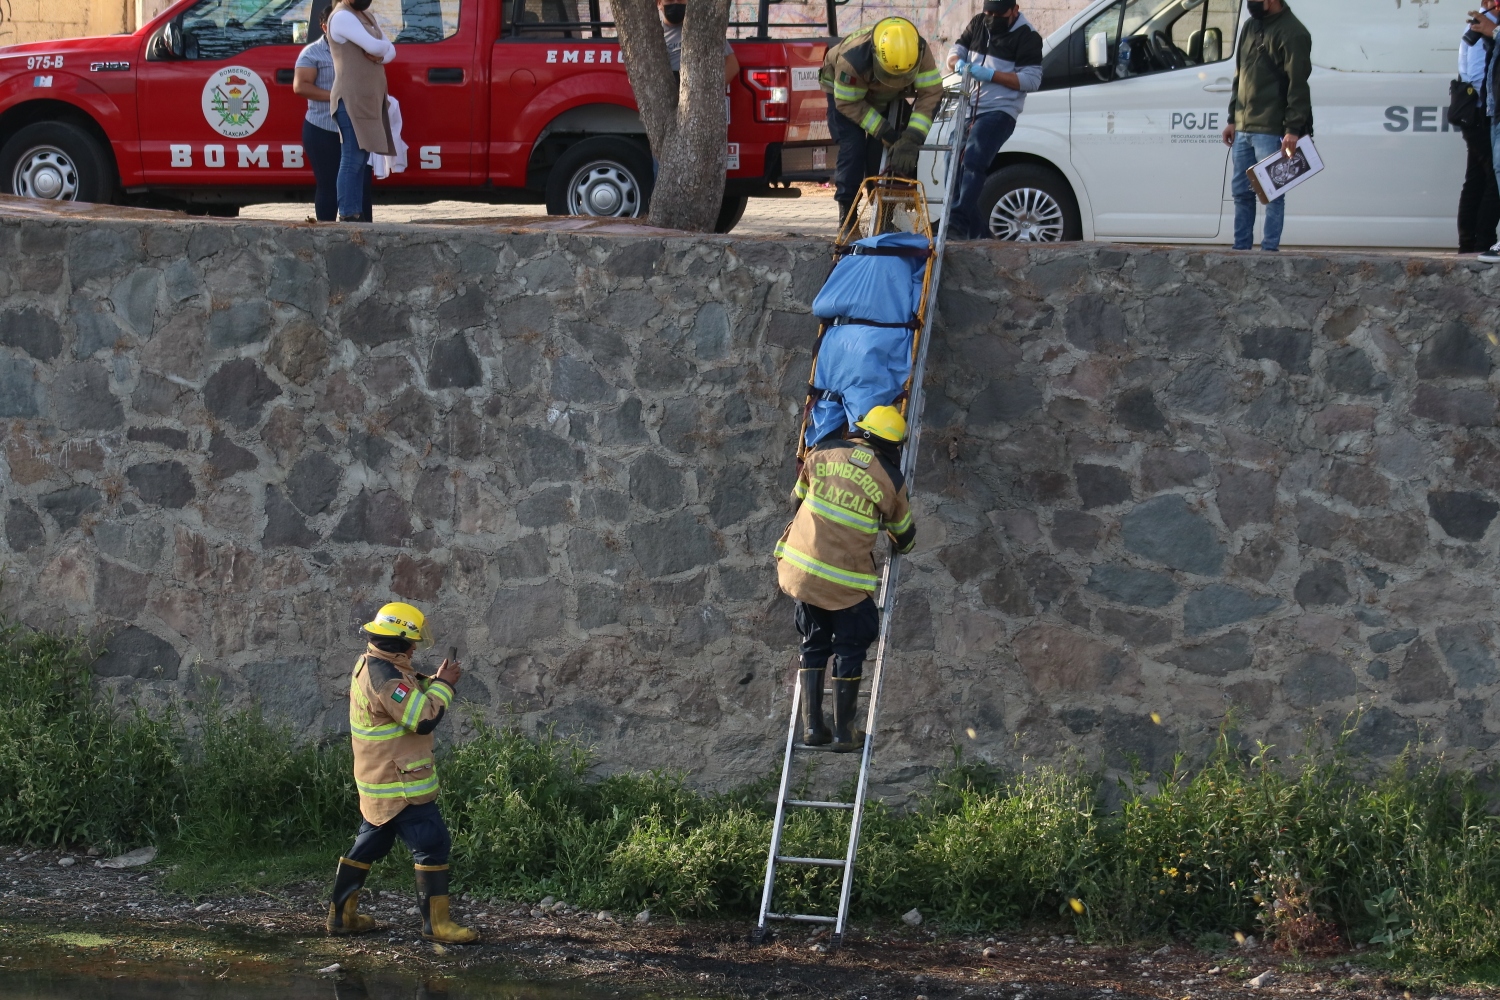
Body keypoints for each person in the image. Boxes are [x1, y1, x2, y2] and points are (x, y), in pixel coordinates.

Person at [325, 602, 477, 945]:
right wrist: (445, 686)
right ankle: (437, 926)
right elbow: (422, 719)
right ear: (397, 642)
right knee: (433, 844)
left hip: (380, 781)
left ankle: (342, 916)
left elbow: (406, 697)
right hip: (400, 784)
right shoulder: (386, 678)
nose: (414, 649)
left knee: (370, 844)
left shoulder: (374, 664)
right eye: (411, 643)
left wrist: (433, 680)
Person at [774, 405, 917, 753]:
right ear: (893, 446)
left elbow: (796, 500)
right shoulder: (891, 479)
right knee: (851, 646)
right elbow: (904, 538)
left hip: (802, 574)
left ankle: (812, 728)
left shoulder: (821, 452)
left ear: (860, 430)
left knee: (814, 643)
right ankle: (843, 734)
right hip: (846, 585)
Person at [819, 17, 945, 227]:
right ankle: (848, 217)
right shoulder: (852, 60)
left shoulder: (918, 50)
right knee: (853, 149)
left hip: (887, 97)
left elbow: (931, 93)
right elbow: (849, 103)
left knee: (891, 152)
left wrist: (912, 137)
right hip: (845, 96)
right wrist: (886, 133)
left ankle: (885, 215)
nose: (895, 81)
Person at [1220, 0, 1312, 252]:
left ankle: (1269, 252)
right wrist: (1232, 119)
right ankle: (1241, 249)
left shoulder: (1294, 32)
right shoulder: (1251, 26)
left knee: (1273, 193)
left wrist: (1292, 130)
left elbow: (1298, 86)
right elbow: (1240, 75)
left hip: (1271, 128)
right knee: (1241, 193)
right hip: (1243, 126)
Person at [947, 0, 1043, 240]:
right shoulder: (978, 23)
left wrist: (991, 75)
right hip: (969, 108)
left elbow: (1032, 80)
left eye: (998, 14)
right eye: (988, 12)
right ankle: (978, 234)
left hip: (1000, 110)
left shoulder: (1028, 36)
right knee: (952, 162)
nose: (991, 18)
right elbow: (955, 52)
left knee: (973, 160)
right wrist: (957, 63)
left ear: (1014, 10)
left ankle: (956, 222)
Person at [293, 3, 372, 222]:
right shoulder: (313, 52)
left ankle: (365, 233)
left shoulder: (360, 49)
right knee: (328, 185)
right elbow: (301, 87)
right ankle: (326, 233)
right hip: (323, 127)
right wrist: (337, 96)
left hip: (357, 127)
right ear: (324, 27)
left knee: (361, 183)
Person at [327, 0, 396, 223]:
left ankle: (355, 211)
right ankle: (348, 213)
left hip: (367, 98)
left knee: (362, 157)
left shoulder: (366, 16)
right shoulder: (342, 16)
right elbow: (377, 47)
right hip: (351, 98)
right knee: (352, 157)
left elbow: (390, 51)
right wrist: (381, 50)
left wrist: (381, 52)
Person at [1458, 1, 1500, 253]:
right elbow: (1474, 74)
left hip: (1482, 111)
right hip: (1481, 112)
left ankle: (1471, 243)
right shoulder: (1483, 24)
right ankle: (1481, 240)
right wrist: (1488, 107)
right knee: (1491, 179)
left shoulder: (1488, 25)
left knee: (1479, 177)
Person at [659, 0, 739, 85]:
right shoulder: (654, 33)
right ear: (659, 3)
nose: (675, 3)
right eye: (669, 0)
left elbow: (733, 66)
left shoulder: (703, 30)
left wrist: (711, 88)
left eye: (680, 0)